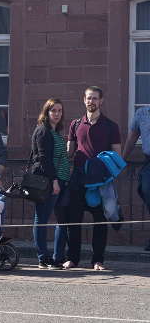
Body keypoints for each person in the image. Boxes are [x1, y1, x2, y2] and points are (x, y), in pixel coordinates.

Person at [63, 86, 122, 271]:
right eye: (89, 98)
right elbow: (69, 153)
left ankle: (98, 260)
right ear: (84, 100)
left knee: (100, 221)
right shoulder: (75, 124)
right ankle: (72, 259)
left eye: (95, 98)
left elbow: (117, 155)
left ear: (101, 101)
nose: (91, 102)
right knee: (73, 220)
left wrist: (106, 174)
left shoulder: (111, 126)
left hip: (100, 180)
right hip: (78, 178)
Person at [30, 98, 71, 268]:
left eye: (60, 111)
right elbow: (44, 159)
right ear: (46, 112)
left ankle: (57, 257)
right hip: (48, 181)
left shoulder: (56, 132)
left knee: (62, 220)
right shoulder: (43, 131)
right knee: (42, 218)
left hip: (62, 180)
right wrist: (54, 181)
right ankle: (43, 258)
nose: (57, 114)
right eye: (53, 110)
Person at [122, 104, 150, 251]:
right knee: (146, 190)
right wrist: (122, 159)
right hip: (149, 161)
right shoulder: (142, 113)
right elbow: (132, 138)